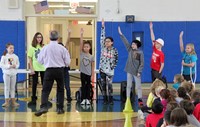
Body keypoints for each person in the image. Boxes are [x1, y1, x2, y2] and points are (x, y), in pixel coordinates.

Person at [35, 30, 70, 116]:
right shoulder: (62, 48)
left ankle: (43, 106)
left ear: (49, 38)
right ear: (58, 38)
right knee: (61, 89)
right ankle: (60, 108)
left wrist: (46, 63)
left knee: (45, 90)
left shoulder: (45, 48)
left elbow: (39, 60)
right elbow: (68, 62)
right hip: (59, 70)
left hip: (49, 70)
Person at [118, 26, 144, 107]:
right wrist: (121, 34)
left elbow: (142, 63)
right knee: (128, 86)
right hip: (129, 70)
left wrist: (139, 72)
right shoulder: (129, 50)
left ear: (137, 45)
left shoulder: (140, 53)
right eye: (132, 44)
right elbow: (125, 42)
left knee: (138, 86)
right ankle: (128, 98)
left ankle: (140, 99)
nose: (132, 45)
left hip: (136, 72)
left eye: (133, 44)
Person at [99, 19, 118, 105]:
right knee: (103, 85)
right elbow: (102, 36)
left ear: (112, 42)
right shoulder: (103, 48)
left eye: (108, 41)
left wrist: (112, 67)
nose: (106, 42)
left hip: (110, 71)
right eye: (106, 41)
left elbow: (116, 60)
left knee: (109, 86)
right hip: (102, 70)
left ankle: (110, 100)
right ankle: (105, 100)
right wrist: (103, 27)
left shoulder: (114, 50)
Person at [27, 32, 46, 106]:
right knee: (34, 84)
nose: (39, 39)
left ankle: (44, 100)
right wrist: (31, 68)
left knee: (44, 84)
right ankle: (33, 99)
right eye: (38, 37)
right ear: (35, 38)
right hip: (35, 67)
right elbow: (30, 59)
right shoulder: (32, 47)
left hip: (43, 68)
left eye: (40, 37)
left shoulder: (43, 47)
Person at [0, 43, 20, 107]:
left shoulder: (15, 56)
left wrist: (15, 66)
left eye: (13, 48)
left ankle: (13, 102)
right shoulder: (4, 56)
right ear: (7, 49)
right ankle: (6, 102)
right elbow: (1, 65)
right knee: (7, 87)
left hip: (13, 74)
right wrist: (9, 66)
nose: (12, 49)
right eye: (10, 48)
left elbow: (18, 64)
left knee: (12, 88)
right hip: (6, 74)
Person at [79, 28, 95, 105]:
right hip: (82, 73)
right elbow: (81, 43)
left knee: (88, 86)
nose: (86, 48)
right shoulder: (81, 54)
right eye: (85, 46)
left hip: (89, 74)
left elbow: (92, 66)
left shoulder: (91, 56)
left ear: (90, 48)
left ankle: (88, 99)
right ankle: (83, 99)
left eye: (87, 46)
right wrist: (81, 34)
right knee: (83, 86)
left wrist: (92, 75)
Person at [58, 36, 72, 103]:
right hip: (59, 70)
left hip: (65, 69)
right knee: (60, 85)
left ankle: (69, 97)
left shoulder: (65, 52)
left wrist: (69, 34)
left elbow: (67, 43)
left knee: (67, 85)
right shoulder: (56, 54)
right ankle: (59, 98)